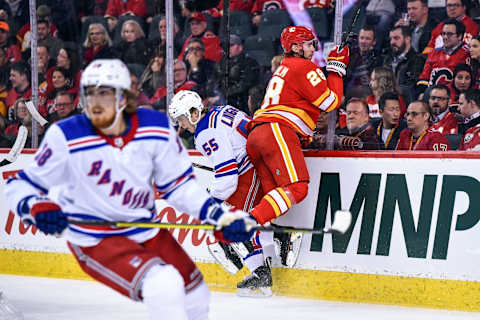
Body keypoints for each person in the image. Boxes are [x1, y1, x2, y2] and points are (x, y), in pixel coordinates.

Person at [4, 59, 255, 320]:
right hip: (96, 237)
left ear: (124, 97)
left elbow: (180, 188)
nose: (96, 102)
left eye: (105, 93)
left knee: (196, 293)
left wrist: (220, 217)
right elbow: (20, 185)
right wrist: (35, 207)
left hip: (145, 231)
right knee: (164, 285)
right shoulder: (66, 134)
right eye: (90, 93)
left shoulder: (155, 128)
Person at [245, 26, 348, 254]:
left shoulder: (286, 67)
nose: (313, 49)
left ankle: (267, 253)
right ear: (295, 47)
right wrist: (336, 69)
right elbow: (330, 102)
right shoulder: (302, 66)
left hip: (258, 136)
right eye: (309, 44)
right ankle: (245, 227)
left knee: (275, 201)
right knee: (298, 188)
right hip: (276, 132)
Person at [169, 89, 276, 297]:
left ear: (194, 112)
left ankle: (261, 271)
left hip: (250, 170)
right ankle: (263, 264)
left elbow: (228, 179)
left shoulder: (205, 132)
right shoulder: (219, 111)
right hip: (261, 162)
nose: (181, 125)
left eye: (182, 118)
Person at [416, 19, 470, 98]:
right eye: (443, 34)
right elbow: (424, 77)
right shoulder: (433, 53)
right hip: (432, 98)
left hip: (456, 99)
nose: (445, 37)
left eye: (449, 34)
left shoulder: (468, 53)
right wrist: (421, 94)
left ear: (460, 36)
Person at [383, 26, 425, 105]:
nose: (392, 42)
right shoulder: (387, 59)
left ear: (407, 39)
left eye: (396, 38)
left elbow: (410, 86)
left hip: (405, 102)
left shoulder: (417, 60)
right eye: (391, 39)